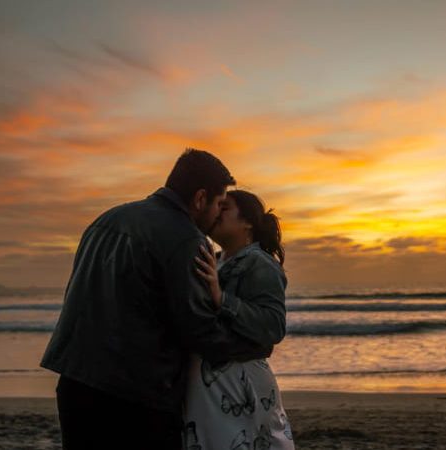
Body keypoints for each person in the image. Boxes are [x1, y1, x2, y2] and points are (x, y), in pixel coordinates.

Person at [40, 149, 271, 450]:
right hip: (136, 397)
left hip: (75, 383)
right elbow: (198, 329)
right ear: (200, 199)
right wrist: (254, 345)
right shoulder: (186, 238)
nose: (216, 214)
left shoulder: (106, 220)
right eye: (217, 204)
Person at [183, 190, 294, 450]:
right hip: (213, 382)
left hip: (241, 382)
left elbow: (273, 326)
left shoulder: (259, 262)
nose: (215, 212)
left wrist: (222, 299)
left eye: (225, 208)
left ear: (248, 222)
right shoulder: (216, 259)